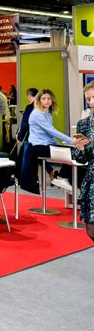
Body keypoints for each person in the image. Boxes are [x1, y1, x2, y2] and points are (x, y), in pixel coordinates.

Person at [24, 89, 80, 194]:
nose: (47, 101)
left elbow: (49, 136)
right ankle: (60, 177)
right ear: (39, 100)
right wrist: (71, 141)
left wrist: (60, 145)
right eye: (44, 98)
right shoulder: (37, 114)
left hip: (46, 145)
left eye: (49, 98)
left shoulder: (47, 113)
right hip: (38, 147)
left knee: (74, 151)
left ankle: (63, 178)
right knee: (73, 152)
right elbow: (52, 131)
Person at [71, 82, 94, 242]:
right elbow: (79, 158)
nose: (91, 102)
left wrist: (90, 146)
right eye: (88, 99)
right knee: (91, 229)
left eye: (93, 97)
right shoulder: (84, 124)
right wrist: (80, 148)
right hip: (91, 180)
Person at [16, 88, 38, 190]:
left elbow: (25, 123)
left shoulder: (30, 107)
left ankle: (25, 181)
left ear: (29, 96)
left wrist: (20, 136)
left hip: (31, 136)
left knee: (25, 158)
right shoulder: (42, 106)